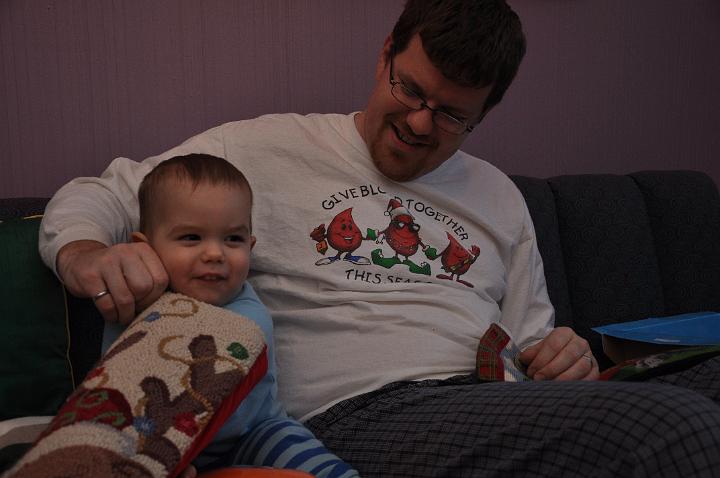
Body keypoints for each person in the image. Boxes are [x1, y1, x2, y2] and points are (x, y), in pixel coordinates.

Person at [40, 0, 720, 476]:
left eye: (452, 115)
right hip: (355, 414)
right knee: (675, 426)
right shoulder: (263, 145)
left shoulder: (500, 197)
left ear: (484, 114)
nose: (421, 124)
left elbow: (530, 336)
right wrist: (89, 254)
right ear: (385, 55)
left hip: (497, 405)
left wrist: (560, 352)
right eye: (410, 90)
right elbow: (102, 192)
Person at [102, 153, 358, 477]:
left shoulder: (247, 316)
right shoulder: (127, 302)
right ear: (145, 247)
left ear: (250, 246)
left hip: (252, 432)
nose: (214, 253)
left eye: (233, 239)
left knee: (316, 463)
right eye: (191, 237)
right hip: (153, 434)